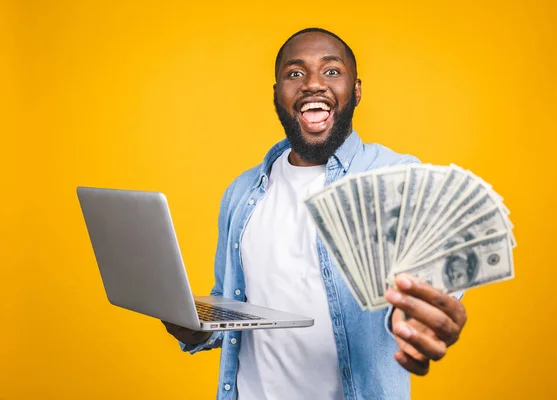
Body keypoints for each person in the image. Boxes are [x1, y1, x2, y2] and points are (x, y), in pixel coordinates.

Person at [162, 27, 468, 400]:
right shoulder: (241, 193)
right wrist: (198, 329)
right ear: (277, 93)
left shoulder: (397, 177)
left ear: (356, 90)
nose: (312, 84)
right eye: (294, 73)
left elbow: (438, 273)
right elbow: (229, 306)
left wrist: (428, 317)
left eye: (331, 71)